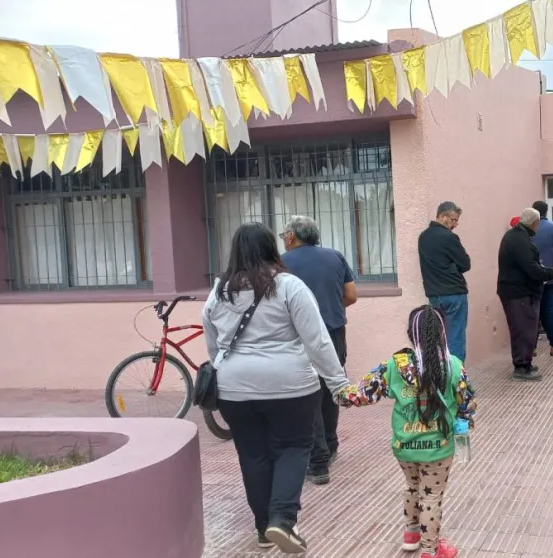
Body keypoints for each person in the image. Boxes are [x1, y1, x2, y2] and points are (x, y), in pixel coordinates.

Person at [201, 222, 349, 554]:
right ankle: (282, 519)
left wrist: (228, 370)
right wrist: (338, 384)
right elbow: (318, 341)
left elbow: (213, 344)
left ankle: (263, 530)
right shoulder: (288, 286)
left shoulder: (219, 291)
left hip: (234, 389)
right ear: (272, 247)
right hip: (291, 386)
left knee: (253, 455)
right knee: (294, 448)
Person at [336, 305, 477, 558]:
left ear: (412, 335)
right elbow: (467, 402)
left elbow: (362, 394)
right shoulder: (453, 366)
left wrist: (340, 392)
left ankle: (412, 535)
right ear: (443, 334)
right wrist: (464, 421)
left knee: (412, 485)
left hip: (404, 446)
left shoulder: (395, 364)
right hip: (438, 448)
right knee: (431, 496)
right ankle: (430, 550)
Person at [280, 215, 357, 486]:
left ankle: (318, 457)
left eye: (283, 235)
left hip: (299, 337)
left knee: (307, 394)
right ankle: (332, 444)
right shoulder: (335, 257)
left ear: (291, 237)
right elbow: (351, 295)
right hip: (334, 331)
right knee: (331, 387)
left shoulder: (280, 263)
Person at [497, 208, 553, 381]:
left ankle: (524, 363)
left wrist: (547, 270)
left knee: (524, 329)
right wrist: (552, 273)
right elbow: (532, 269)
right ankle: (521, 367)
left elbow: (530, 265)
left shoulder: (516, 236)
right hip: (518, 294)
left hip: (517, 292)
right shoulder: (519, 239)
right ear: (535, 224)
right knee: (523, 330)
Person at [418, 201, 472, 363]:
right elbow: (465, 264)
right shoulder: (449, 237)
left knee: (438, 338)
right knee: (455, 336)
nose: (455, 224)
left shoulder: (423, 237)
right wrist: (453, 266)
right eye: (453, 219)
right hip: (454, 294)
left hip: (434, 295)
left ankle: (439, 373)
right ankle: (455, 379)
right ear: (442, 216)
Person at [531, 201, 553, 356]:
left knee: (533, 311)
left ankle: (531, 348)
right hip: (552, 274)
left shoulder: (528, 229)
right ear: (547, 211)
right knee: (550, 310)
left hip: (533, 276)